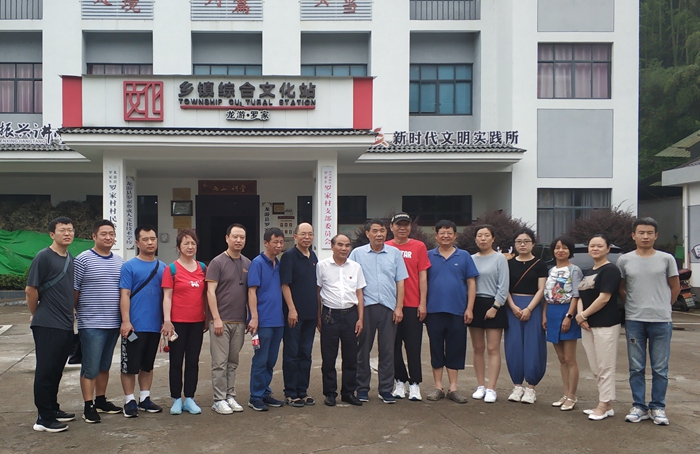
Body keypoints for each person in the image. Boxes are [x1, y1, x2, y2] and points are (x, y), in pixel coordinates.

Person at [618, 217, 680, 426]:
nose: (645, 236)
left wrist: (664, 306)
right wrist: (633, 306)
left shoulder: (666, 259)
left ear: (656, 235)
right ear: (633, 235)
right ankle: (639, 406)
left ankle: (658, 407)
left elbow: (675, 287)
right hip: (634, 320)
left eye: (649, 233)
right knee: (636, 367)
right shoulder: (624, 260)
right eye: (641, 233)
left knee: (660, 367)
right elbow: (622, 289)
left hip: (661, 321)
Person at [349, 218, 408, 404]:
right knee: (363, 349)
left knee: (388, 350)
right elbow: (350, 280)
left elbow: (400, 281)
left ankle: (385, 389)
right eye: (374, 231)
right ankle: (362, 388)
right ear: (367, 234)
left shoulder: (394, 253)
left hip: (388, 308)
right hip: (365, 307)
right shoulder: (357, 254)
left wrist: (399, 307)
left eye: (382, 231)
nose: (379, 234)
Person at [26, 216, 77, 432]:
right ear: (51, 234)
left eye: (70, 230)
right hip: (47, 324)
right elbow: (31, 290)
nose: (67, 233)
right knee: (46, 371)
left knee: (56, 370)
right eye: (62, 230)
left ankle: (53, 408)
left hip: (65, 324)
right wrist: (36, 313)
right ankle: (43, 418)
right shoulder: (43, 257)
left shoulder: (70, 257)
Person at [74, 219, 124, 423]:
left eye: (111, 234)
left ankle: (101, 400)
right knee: (91, 367)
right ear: (94, 236)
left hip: (114, 323)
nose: (108, 237)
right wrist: (76, 312)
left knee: (104, 365)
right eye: (104, 234)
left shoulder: (119, 261)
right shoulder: (82, 259)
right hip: (91, 323)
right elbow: (74, 290)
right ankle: (88, 406)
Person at [424, 220, 478, 404]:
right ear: (436, 236)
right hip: (433, 310)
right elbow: (422, 281)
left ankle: (453, 388)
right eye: (442, 233)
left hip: (457, 310)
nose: (445, 236)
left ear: (455, 235)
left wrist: (469, 308)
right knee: (436, 348)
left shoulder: (464, 256)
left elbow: (471, 284)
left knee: (456, 349)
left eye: (449, 233)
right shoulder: (428, 255)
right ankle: (438, 387)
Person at [119, 225, 166, 418]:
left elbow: (167, 296)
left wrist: (166, 321)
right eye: (145, 239)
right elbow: (124, 294)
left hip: (154, 326)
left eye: (153, 239)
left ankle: (145, 398)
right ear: (137, 243)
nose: (150, 242)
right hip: (134, 326)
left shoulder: (163, 267)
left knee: (148, 364)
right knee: (129, 365)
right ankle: (129, 400)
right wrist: (125, 321)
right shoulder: (129, 266)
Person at [576, 234, 622, 421]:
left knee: (605, 366)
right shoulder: (589, 271)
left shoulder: (610, 270)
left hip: (606, 324)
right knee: (595, 367)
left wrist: (583, 315)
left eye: (599, 246)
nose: (595, 249)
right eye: (592, 246)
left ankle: (603, 405)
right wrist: (580, 316)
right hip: (587, 325)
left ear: (608, 249)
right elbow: (581, 295)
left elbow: (604, 298)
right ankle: (606, 404)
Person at [206, 223, 251, 415]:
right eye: (235, 237)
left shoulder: (248, 263)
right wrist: (216, 318)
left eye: (242, 237)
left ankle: (230, 395)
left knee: (233, 362)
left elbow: (250, 293)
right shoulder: (217, 262)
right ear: (227, 238)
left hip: (239, 321)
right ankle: (219, 399)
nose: (238, 240)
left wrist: (250, 317)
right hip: (221, 321)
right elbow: (210, 292)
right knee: (219, 363)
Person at [316, 234, 366, 407]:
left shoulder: (356, 267)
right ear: (332, 246)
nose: (344, 248)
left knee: (351, 356)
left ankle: (348, 392)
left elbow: (360, 294)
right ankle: (330, 393)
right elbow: (317, 293)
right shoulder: (322, 266)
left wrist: (360, 318)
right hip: (330, 315)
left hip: (351, 315)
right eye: (340, 245)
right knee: (329, 356)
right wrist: (318, 317)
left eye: (347, 245)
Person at [161, 229, 207, 415]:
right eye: (186, 243)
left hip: (197, 322)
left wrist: (207, 317)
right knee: (176, 361)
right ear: (178, 247)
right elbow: (167, 297)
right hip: (177, 323)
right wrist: (167, 320)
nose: (190, 247)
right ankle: (176, 399)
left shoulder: (202, 268)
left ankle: (189, 398)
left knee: (193, 361)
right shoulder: (171, 269)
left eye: (193, 243)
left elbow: (206, 295)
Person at [386, 212, 430, 401]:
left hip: (412, 304)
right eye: (399, 225)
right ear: (391, 227)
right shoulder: (386, 247)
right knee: (393, 346)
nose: (402, 228)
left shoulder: (418, 246)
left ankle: (415, 384)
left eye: (406, 225)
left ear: (410, 227)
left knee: (413, 346)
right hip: (390, 305)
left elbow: (422, 276)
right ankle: (400, 381)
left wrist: (422, 303)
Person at [504, 228, 548, 404]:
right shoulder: (508, 264)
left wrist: (529, 309)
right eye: (519, 241)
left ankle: (531, 387)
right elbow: (505, 288)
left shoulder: (540, 264)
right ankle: (517, 385)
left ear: (533, 244)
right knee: (513, 345)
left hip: (533, 306)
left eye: (526, 241)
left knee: (533, 345)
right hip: (512, 306)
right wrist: (513, 306)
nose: (522, 244)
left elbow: (541, 289)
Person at [247, 227, 286, 411]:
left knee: (271, 360)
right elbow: (252, 291)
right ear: (266, 243)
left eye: (281, 242)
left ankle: (265, 392)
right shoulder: (257, 263)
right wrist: (254, 317)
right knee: (260, 359)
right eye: (275, 242)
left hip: (278, 320)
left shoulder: (279, 264)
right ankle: (255, 396)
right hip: (262, 321)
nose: (278, 245)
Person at [280, 223, 319, 407]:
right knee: (292, 353)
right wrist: (292, 309)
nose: (307, 237)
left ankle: (303, 391)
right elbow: (285, 284)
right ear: (295, 236)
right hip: (294, 315)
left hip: (310, 314)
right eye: (303, 234)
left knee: (306, 353)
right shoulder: (289, 256)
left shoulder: (313, 256)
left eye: (310, 234)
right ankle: (290, 393)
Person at [469, 225, 509, 403]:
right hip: (475, 303)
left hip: (494, 303)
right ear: (475, 239)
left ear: (493, 238)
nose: (483, 239)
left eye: (486, 235)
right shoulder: (471, 259)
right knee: (478, 348)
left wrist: (495, 307)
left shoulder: (500, 258)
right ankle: (480, 385)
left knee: (493, 349)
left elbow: (504, 285)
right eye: (479, 235)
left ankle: (492, 388)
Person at [543, 236, 582, 412]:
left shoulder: (574, 270)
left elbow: (576, 295)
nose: (561, 250)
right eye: (557, 247)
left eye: (565, 248)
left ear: (570, 251)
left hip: (566, 311)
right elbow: (547, 294)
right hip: (552, 311)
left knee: (570, 358)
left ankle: (572, 395)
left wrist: (569, 316)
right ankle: (565, 394)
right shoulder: (551, 270)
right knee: (561, 358)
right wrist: (544, 315)